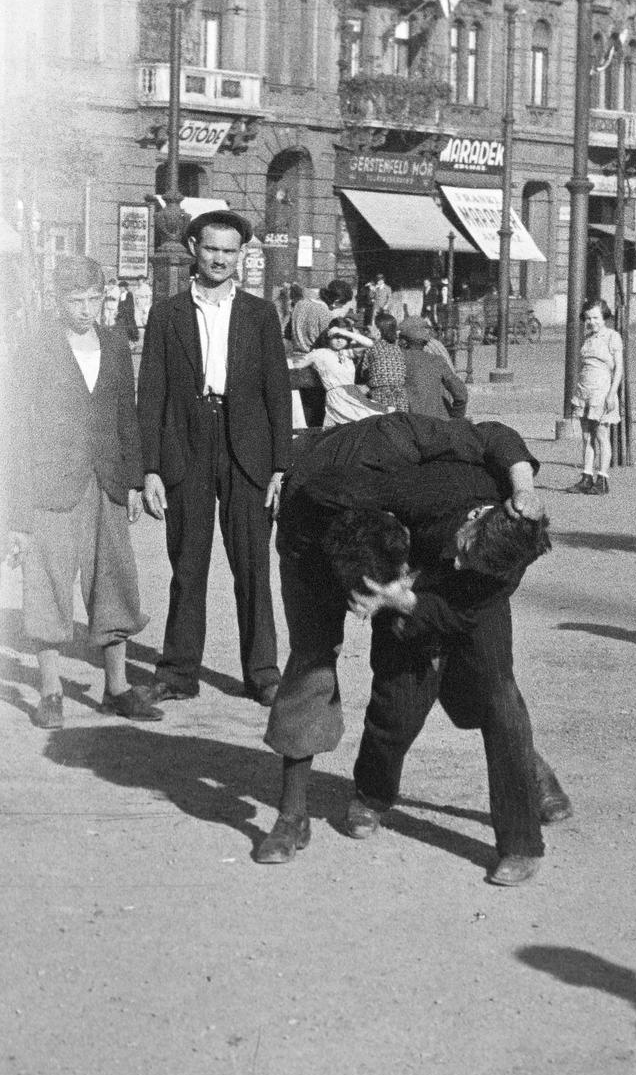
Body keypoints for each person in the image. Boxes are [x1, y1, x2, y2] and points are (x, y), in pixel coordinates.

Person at [256, 413, 566, 885]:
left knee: (497, 698)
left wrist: (408, 597)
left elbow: (460, 610)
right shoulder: (416, 480)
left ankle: (521, 842)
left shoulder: (503, 563)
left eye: (469, 561)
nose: (459, 560)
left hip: (446, 599)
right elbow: (489, 433)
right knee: (396, 704)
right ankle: (369, 796)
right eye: (464, 549)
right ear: (479, 516)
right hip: (345, 531)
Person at [138, 211, 292, 706]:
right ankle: (179, 670)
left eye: (229, 250)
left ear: (241, 255)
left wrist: (280, 465)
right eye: (211, 249)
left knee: (252, 566)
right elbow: (152, 394)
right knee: (188, 564)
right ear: (192, 248)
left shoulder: (260, 313)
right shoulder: (167, 315)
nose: (220, 258)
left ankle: (263, 673)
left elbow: (277, 391)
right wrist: (151, 469)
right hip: (186, 445)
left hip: (247, 447)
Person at [6, 257, 163, 728]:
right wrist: (14, 515)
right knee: (48, 582)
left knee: (114, 579)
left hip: (107, 482)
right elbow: (14, 430)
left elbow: (126, 417)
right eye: (75, 300)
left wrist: (134, 480)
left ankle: (116, 688)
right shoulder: (34, 347)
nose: (85, 310)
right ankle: (50, 690)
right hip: (49, 485)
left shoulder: (115, 345)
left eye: (94, 299)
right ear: (58, 300)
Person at [569, 300, 623, 495]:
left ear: (604, 318)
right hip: (585, 391)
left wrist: (612, 393)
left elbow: (618, 369)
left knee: (601, 435)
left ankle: (602, 478)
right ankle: (586, 476)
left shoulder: (612, 337)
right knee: (586, 436)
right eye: (588, 318)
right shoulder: (587, 338)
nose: (592, 322)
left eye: (596, 318)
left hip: (602, 392)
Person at [290, 317, 385, 426]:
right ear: (328, 337)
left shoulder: (347, 353)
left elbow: (369, 343)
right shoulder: (319, 353)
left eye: (343, 337)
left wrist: (342, 331)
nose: (339, 340)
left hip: (353, 394)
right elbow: (296, 365)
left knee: (381, 414)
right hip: (339, 399)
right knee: (369, 420)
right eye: (336, 337)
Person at [398, 315, 468, 420]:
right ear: (425, 342)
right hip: (438, 423)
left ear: (403, 341)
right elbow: (461, 394)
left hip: (409, 423)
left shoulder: (397, 360)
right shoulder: (437, 360)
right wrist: (456, 416)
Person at [361, 311, 409, 412]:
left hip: (380, 395)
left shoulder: (372, 348)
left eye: (372, 325)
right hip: (400, 395)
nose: (369, 327)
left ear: (379, 331)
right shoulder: (397, 348)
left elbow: (364, 373)